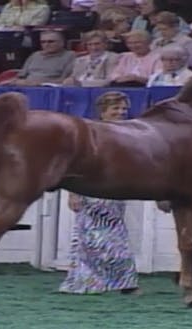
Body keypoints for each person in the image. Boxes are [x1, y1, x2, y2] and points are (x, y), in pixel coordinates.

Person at [59, 91, 139, 295]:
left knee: (115, 236)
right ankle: (94, 281)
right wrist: (73, 192)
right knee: (90, 238)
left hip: (116, 188)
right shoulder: (90, 132)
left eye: (123, 109)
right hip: (90, 188)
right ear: (103, 112)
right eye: (116, 109)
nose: (121, 112)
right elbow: (75, 163)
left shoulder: (131, 132)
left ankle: (123, 282)